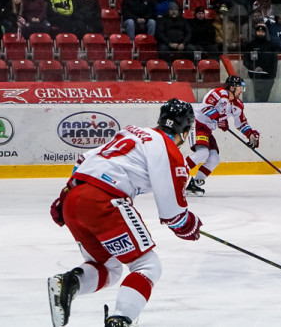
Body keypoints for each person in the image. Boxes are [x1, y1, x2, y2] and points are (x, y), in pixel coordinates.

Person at [47, 99, 201, 327]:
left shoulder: (131, 132)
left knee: (109, 267)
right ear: (185, 131)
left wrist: (65, 196)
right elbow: (173, 212)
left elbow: (84, 159)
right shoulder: (167, 148)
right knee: (147, 266)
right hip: (103, 201)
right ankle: (121, 320)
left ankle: (70, 283)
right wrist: (188, 224)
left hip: (73, 198)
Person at [185, 76, 260, 196]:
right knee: (202, 153)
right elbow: (206, 108)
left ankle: (195, 184)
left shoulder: (237, 105)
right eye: (240, 88)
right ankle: (176, 174)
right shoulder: (218, 93)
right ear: (232, 87)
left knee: (214, 159)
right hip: (198, 124)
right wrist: (219, 119)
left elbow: (241, 123)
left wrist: (250, 134)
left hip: (208, 130)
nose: (242, 91)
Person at [243, 23, 280, 103]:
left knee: (265, 97)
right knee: (258, 97)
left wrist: (273, 75)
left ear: (265, 33)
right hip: (256, 76)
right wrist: (254, 68)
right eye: (259, 31)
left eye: (262, 31)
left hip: (268, 76)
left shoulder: (271, 45)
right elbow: (245, 60)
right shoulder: (251, 45)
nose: (260, 33)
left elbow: (274, 61)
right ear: (256, 32)